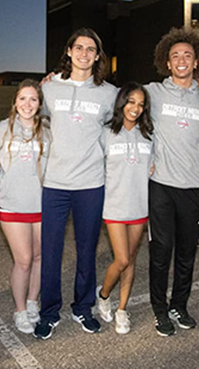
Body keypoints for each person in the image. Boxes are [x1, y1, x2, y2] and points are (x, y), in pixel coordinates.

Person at [33, 28, 117, 340]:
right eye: (78, 48)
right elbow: (32, 119)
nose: (84, 54)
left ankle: (83, 307)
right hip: (54, 183)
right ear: (69, 51)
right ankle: (49, 312)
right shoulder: (50, 88)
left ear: (97, 56)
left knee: (87, 251)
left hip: (91, 184)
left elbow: (118, 130)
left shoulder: (109, 93)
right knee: (51, 251)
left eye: (90, 49)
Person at [144, 27, 199, 337]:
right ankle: (160, 309)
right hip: (160, 184)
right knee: (161, 251)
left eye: (187, 55)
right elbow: (114, 101)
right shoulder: (152, 92)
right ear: (167, 63)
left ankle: (179, 305)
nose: (181, 60)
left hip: (194, 186)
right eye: (175, 56)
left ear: (197, 61)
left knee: (186, 253)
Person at [96, 82, 153, 334]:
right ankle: (104, 294)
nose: (135, 108)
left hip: (140, 206)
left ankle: (121, 310)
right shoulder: (106, 133)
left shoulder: (149, 134)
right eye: (131, 101)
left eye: (141, 104)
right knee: (121, 259)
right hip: (114, 207)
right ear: (122, 102)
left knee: (130, 261)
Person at [0, 79, 50, 334]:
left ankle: (31, 302)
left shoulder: (48, 131)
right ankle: (19, 310)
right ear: (15, 102)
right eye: (23, 98)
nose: (27, 104)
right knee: (24, 260)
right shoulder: (2, 128)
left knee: (39, 257)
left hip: (42, 204)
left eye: (33, 99)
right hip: (12, 204)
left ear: (39, 104)